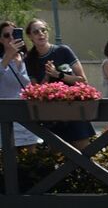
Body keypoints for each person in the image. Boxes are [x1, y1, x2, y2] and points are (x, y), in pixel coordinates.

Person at [23, 18, 95, 150]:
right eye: (36, 32)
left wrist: (58, 75)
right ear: (30, 36)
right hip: (51, 116)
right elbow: (36, 91)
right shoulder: (29, 59)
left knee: (84, 154)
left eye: (43, 30)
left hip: (74, 110)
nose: (41, 34)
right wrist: (47, 75)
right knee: (58, 158)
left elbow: (82, 80)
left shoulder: (63, 50)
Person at [0, 20, 40, 149]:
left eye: (14, 34)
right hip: (6, 120)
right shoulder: (1, 61)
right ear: (1, 40)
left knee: (31, 162)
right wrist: (8, 57)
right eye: (6, 36)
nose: (11, 38)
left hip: (28, 118)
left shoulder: (27, 59)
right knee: (9, 164)